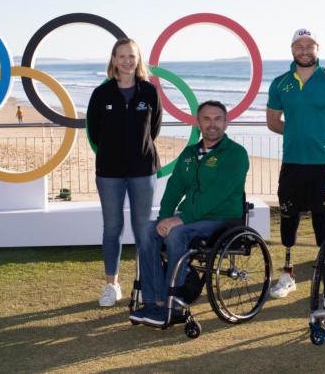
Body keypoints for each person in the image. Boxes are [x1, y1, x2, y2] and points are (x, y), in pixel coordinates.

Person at [129, 100, 249, 325]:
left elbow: (216, 196)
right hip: (190, 217)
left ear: (226, 123)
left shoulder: (236, 154)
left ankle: (174, 302)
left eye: (217, 119)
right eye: (206, 119)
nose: (212, 124)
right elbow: (174, 188)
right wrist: (165, 218)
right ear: (198, 123)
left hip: (221, 220)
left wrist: (180, 219)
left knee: (177, 233)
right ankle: (153, 302)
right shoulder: (190, 153)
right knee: (147, 229)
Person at [265, 28, 325, 298]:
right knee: (288, 217)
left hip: (323, 164)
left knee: (321, 217)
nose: (304, 51)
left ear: (317, 48)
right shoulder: (280, 83)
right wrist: (295, 134)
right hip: (292, 162)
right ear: (292, 50)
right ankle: (287, 274)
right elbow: (273, 122)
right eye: (299, 46)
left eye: (309, 46)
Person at [86, 38, 162, 307]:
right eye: (122, 56)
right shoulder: (101, 94)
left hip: (143, 171)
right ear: (114, 60)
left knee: (143, 230)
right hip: (109, 172)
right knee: (112, 228)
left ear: (138, 59)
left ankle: (144, 286)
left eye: (132, 56)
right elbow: (94, 132)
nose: (127, 61)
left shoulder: (149, 92)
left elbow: (154, 130)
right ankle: (112, 285)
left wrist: (136, 152)